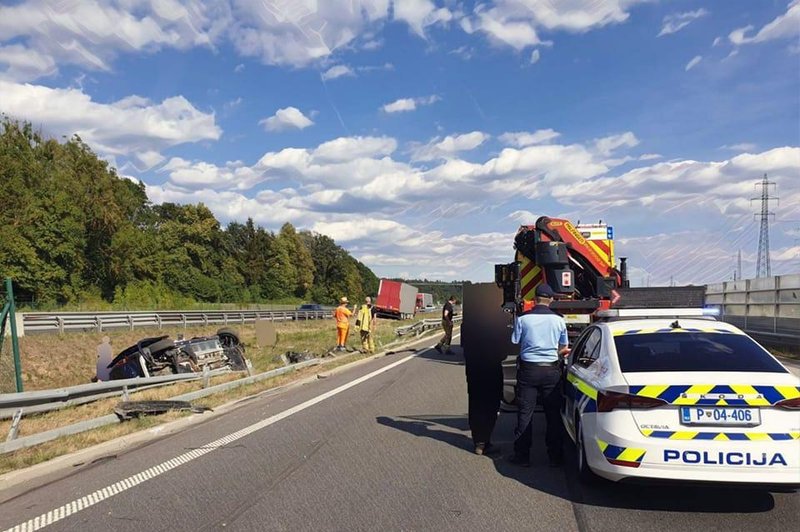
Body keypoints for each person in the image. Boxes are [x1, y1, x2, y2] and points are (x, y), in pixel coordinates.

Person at [509, 284, 570, 467]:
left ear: (535, 299)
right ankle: (555, 457)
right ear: (551, 300)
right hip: (551, 371)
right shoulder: (559, 320)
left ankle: (522, 456)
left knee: (525, 414)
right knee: (553, 415)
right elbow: (563, 347)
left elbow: (515, 341)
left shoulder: (523, 319)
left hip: (528, 371)